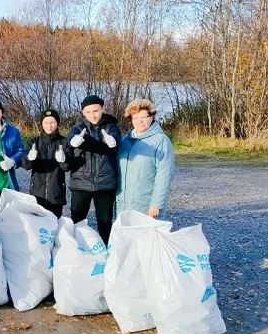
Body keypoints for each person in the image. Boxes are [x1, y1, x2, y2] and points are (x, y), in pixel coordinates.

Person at [67, 94, 121, 244]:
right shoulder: (79, 127)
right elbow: (71, 136)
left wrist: (112, 141)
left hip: (104, 184)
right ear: (83, 113)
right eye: (89, 112)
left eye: (96, 111)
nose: (93, 115)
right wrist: (73, 140)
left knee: (104, 223)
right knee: (77, 222)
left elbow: (114, 136)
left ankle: (105, 251)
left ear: (103, 109)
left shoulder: (111, 126)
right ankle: (78, 250)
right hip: (81, 184)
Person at [116, 98, 176, 219]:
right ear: (131, 119)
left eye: (144, 117)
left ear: (151, 117)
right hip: (122, 204)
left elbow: (164, 175)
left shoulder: (160, 141)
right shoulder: (124, 141)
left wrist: (156, 203)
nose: (140, 121)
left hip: (146, 205)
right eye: (136, 118)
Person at [22, 108, 71, 218]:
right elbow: (25, 165)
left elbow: (67, 167)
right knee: (37, 226)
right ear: (42, 124)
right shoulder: (33, 142)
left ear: (57, 123)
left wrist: (64, 159)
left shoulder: (63, 142)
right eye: (46, 122)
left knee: (54, 225)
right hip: (37, 193)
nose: (50, 125)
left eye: (53, 122)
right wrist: (29, 158)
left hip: (56, 194)